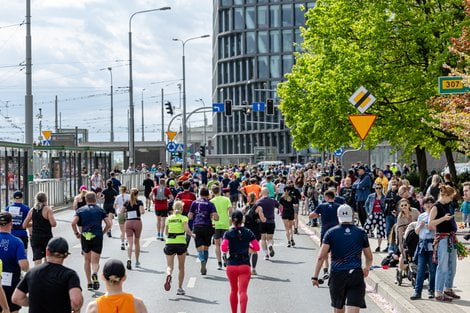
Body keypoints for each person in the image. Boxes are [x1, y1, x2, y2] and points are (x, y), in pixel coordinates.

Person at [312, 204, 373, 313]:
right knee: (354, 310)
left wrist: (315, 277)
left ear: (338, 216)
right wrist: (366, 268)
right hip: (355, 274)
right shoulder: (361, 233)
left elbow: (321, 257)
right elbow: (369, 257)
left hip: (337, 275)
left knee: (338, 309)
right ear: (352, 216)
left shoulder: (331, 232)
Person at [12, 237, 83, 313]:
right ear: (66, 255)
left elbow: (16, 298)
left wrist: (35, 302)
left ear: (47, 251)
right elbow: (76, 301)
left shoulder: (32, 272)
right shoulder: (70, 275)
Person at [72, 192, 112, 291]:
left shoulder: (80, 210)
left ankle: (89, 283)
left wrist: (77, 234)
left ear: (86, 200)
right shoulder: (100, 210)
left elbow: (73, 223)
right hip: (97, 235)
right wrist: (103, 232)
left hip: (85, 236)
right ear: (95, 199)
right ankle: (95, 273)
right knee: (95, 261)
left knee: (86, 260)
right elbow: (108, 224)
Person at [428, 185, 459, 302]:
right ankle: (438, 291)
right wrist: (443, 219)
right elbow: (430, 223)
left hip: (451, 238)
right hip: (442, 238)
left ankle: (448, 288)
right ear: (444, 195)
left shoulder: (447, 205)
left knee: (452, 265)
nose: (451, 199)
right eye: (450, 197)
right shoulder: (436, 207)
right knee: (443, 266)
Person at [163, 201, 194, 295]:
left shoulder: (168, 218)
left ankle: (169, 274)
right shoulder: (184, 218)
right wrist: (193, 235)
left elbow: (166, 233)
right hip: (181, 243)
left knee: (169, 266)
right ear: (182, 209)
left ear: (173, 208)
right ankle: (180, 288)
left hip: (170, 243)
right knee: (181, 267)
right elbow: (186, 230)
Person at [0, 212, 29, 313]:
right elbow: (24, 265)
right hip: (10, 282)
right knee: (12, 310)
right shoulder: (17, 242)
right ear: (11, 224)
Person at [410, 196, 437, 300]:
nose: (429, 205)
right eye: (427, 203)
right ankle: (417, 292)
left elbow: (437, 229)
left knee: (432, 269)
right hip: (422, 244)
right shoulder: (421, 216)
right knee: (420, 269)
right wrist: (421, 225)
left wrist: (430, 226)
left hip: (432, 244)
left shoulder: (435, 216)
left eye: (431, 203)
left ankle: (431, 291)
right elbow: (416, 232)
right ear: (423, 205)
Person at [309, 190, 339, 280]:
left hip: (325, 233)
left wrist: (319, 216)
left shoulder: (322, 206)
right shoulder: (339, 207)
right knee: (335, 254)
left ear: (326, 197)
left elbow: (311, 216)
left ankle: (326, 271)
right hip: (337, 233)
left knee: (324, 254)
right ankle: (334, 271)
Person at [188, 187, 219, 275]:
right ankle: (204, 262)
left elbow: (190, 216)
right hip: (207, 226)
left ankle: (201, 259)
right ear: (208, 194)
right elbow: (216, 217)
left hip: (197, 225)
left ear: (200, 194)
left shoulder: (194, 203)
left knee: (198, 246)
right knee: (206, 246)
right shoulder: (210, 204)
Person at [22, 192, 57, 265]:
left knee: (37, 259)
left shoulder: (32, 210)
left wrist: (34, 224)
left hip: (35, 237)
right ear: (46, 199)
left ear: (36, 199)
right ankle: (46, 274)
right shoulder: (47, 209)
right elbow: (53, 224)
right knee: (47, 258)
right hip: (46, 237)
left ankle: (37, 274)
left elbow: (24, 225)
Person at [242, 192, 266, 275]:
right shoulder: (258, 208)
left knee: (248, 249)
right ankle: (253, 269)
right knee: (254, 250)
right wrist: (264, 219)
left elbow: (242, 219)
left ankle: (246, 268)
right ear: (255, 198)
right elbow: (263, 219)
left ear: (248, 198)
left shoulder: (245, 207)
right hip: (256, 230)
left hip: (246, 230)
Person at [210, 185, 233, 270]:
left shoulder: (211, 201)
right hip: (225, 223)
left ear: (212, 192)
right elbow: (230, 211)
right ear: (220, 191)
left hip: (215, 224)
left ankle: (219, 263)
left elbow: (210, 214)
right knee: (225, 242)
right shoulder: (226, 199)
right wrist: (230, 218)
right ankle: (224, 254)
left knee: (217, 244)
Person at [122, 188, 145, 270]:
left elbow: (121, 211)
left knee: (130, 243)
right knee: (137, 242)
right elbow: (142, 212)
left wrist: (126, 212)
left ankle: (129, 258)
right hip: (137, 221)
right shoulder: (139, 202)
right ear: (137, 194)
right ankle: (137, 261)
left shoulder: (126, 202)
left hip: (128, 222)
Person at [256, 188, 279, 260]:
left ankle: (266, 255)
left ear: (262, 193)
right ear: (268, 193)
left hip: (262, 222)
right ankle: (270, 245)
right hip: (271, 221)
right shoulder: (273, 201)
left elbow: (256, 211)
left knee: (263, 238)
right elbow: (279, 206)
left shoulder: (259, 201)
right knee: (270, 238)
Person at [363, 183, 386, 252]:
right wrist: (368, 212)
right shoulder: (371, 196)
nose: (378, 189)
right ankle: (363, 244)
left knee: (380, 230)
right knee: (366, 227)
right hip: (372, 214)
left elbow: (385, 206)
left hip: (381, 214)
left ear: (382, 189)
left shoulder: (384, 197)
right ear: (375, 189)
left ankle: (379, 246)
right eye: (377, 188)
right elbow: (366, 204)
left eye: (379, 188)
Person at [175, 181, 197, 246]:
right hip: (190, 215)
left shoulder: (179, 194)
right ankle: (186, 246)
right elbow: (195, 205)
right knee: (188, 231)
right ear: (189, 187)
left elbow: (175, 204)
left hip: (180, 214)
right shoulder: (192, 195)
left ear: (182, 187)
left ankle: (181, 245)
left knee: (181, 230)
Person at [114, 186, 130, 250]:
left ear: (120, 190)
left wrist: (118, 208)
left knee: (122, 230)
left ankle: (122, 243)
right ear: (126, 190)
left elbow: (114, 206)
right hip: (127, 213)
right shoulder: (128, 196)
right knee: (127, 229)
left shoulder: (118, 197)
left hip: (120, 213)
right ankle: (127, 240)